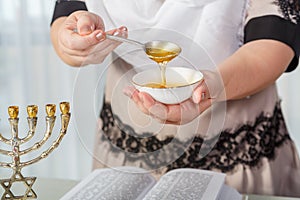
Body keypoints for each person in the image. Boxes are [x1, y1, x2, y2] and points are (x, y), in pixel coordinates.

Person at [50, 0, 300, 197]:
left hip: (236, 152)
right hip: (125, 147)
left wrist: (211, 87)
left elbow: (274, 40)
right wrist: (72, 41)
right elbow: (68, 17)